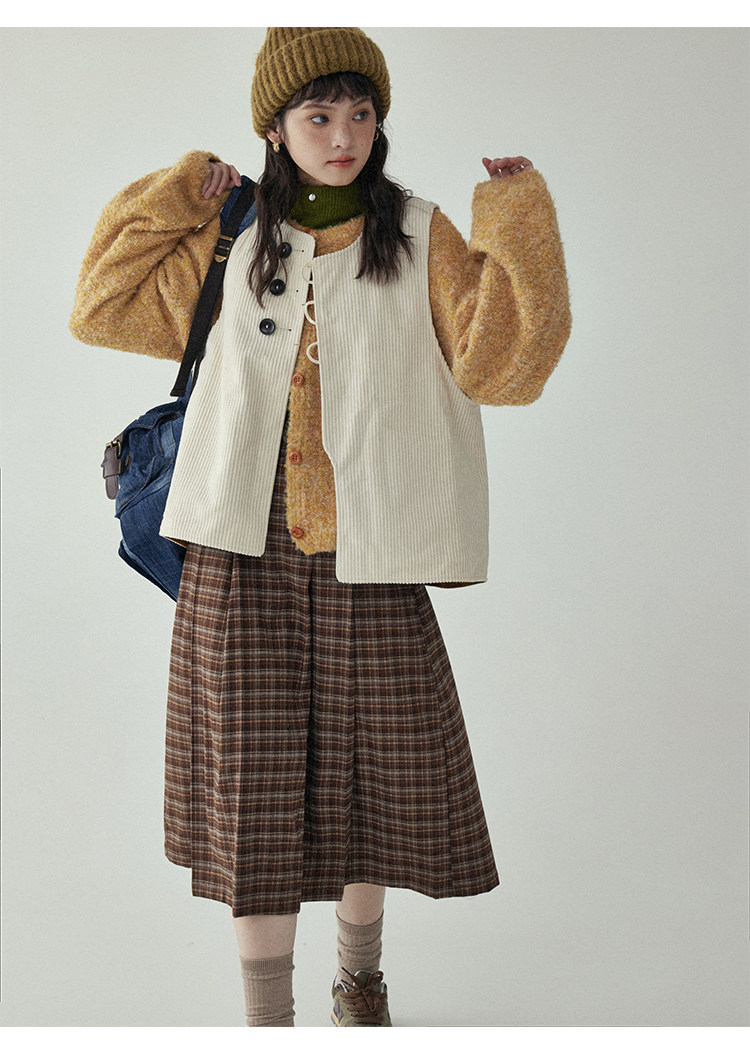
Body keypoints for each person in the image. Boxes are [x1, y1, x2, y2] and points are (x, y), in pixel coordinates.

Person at [70, 26, 571, 1028]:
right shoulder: (232, 237)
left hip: (371, 549)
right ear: (275, 128)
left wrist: (517, 218)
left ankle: (359, 983)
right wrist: (178, 194)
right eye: (319, 115)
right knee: (251, 797)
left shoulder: (419, 236)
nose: (344, 136)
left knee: (372, 782)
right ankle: (269, 1022)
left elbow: (506, 364)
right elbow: (101, 305)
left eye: (361, 113)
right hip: (236, 551)